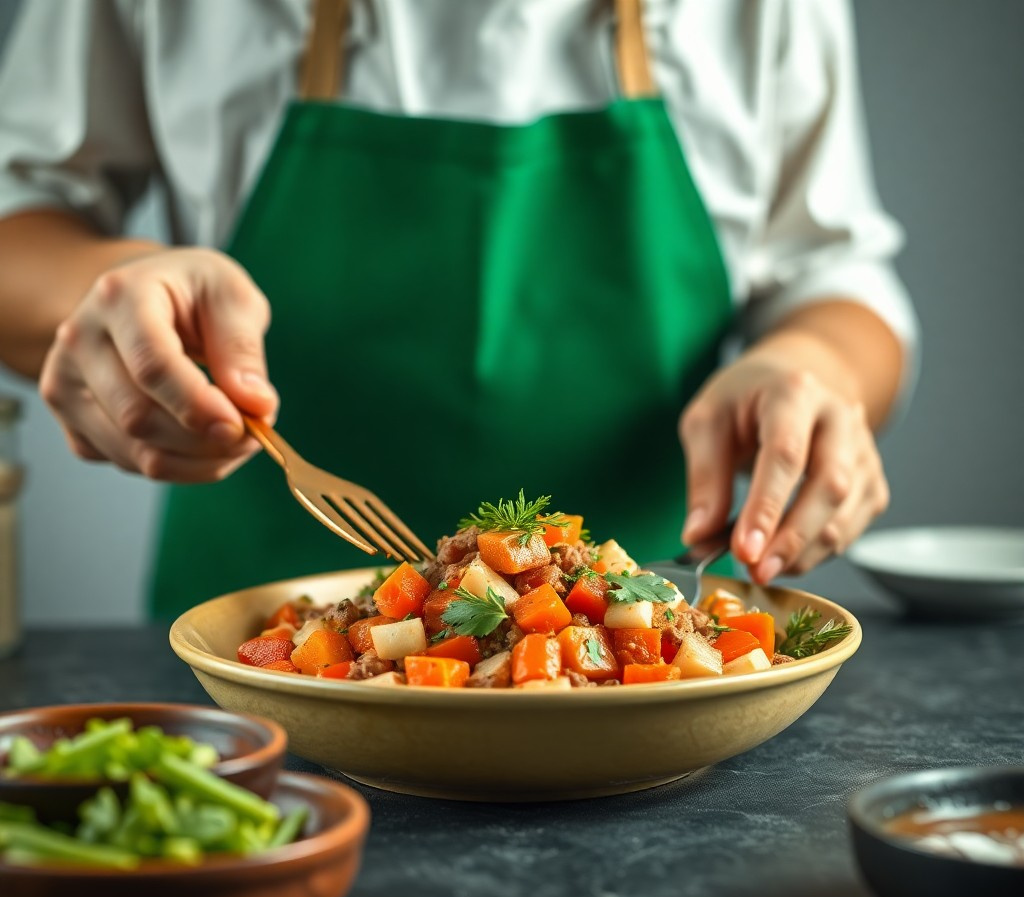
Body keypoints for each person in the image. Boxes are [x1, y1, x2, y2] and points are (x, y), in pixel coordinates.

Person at [0, 0, 915, 617]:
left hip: (657, 654)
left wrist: (813, 369)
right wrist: (108, 295)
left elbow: (834, 273)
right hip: (253, 649)